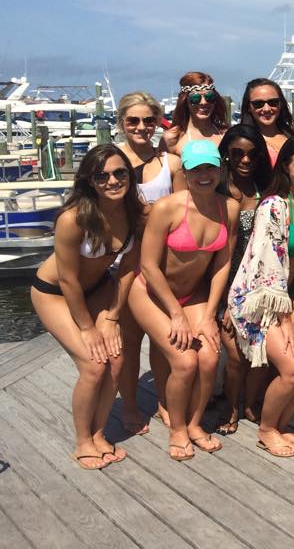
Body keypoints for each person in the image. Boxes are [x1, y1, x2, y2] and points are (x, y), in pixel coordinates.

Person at [31, 145, 142, 470]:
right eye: (102, 175)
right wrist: (87, 327)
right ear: (89, 181)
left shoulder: (135, 212)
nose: (113, 181)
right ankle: (82, 441)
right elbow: (67, 281)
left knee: (117, 360)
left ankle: (98, 432)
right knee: (94, 365)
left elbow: (127, 270)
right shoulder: (73, 219)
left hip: (96, 289)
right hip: (54, 292)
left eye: (120, 173)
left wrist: (111, 316)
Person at [128, 140, 238, 461]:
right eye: (196, 169)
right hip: (149, 291)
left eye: (210, 168)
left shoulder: (227, 208)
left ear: (219, 170)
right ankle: (177, 428)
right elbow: (148, 265)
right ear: (185, 173)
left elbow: (222, 263)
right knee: (185, 361)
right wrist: (175, 313)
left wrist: (209, 314)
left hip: (193, 295)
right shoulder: (166, 208)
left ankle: (193, 423)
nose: (204, 175)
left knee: (208, 357)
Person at [229, 135, 294, 457]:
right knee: (292, 368)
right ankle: (267, 429)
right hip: (260, 300)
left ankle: (282, 425)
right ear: (285, 167)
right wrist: (287, 315)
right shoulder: (273, 205)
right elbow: (267, 267)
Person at [115, 91, 184, 436]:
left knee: (162, 340)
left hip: (162, 264)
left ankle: (162, 399)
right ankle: (128, 405)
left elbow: (186, 209)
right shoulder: (112, 163)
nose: (142, 127)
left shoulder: (170, 163)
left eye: (148, 120)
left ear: (158, 122)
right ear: (121, 123)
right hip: (124, 264)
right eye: (133, 121)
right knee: (129, 341)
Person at [216, 124, 273, 434]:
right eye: (238, 153)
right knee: (236, 355)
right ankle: (230, 407)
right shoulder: (217, 189)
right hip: (225, 283)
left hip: (262, 285)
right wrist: (226, 299)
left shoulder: (268, 188)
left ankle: (250, 403)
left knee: (262, 353)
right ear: (227, 153)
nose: (245, 160)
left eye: (253, 153)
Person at [162, 72, 229, 155]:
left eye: (209, 97)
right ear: (185, 101)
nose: (203, 102)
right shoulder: (172, 138)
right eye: (195, 98)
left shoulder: (226, 135)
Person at [239, 78, 294, 166]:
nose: (266, 109)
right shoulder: (242, 141)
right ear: (248, 107)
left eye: (273, 102)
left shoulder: (293, 138)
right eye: (258, 103)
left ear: (281, 104)